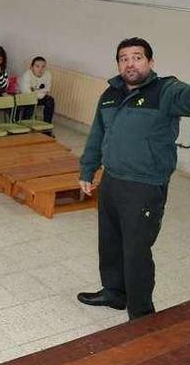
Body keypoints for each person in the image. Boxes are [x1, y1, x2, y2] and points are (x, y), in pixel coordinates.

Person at [77, 37, 190, 320]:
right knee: (110, 242)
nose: (130, 63)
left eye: (137, 57)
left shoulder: (166, 90)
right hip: (112, 180)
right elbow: (97, 135)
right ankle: (114, 292)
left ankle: (141, 314)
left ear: (150, 62)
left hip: (144, 185)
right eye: (124, 58)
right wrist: (88, 170)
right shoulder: (110, 94)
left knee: (136, 250)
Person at [19, 56, 55, 123]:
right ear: (32, 67)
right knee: (30, 103)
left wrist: (37, 94)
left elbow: (47, 90)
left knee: (50, 100)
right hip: (25, 97)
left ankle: (47, 125)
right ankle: (25, 124)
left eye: (43, 67)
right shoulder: (27, 75)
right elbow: (26, 92)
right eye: (37, 66)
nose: (40, 69)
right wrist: (39, 93)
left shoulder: (48, 74)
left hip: (39, 96)